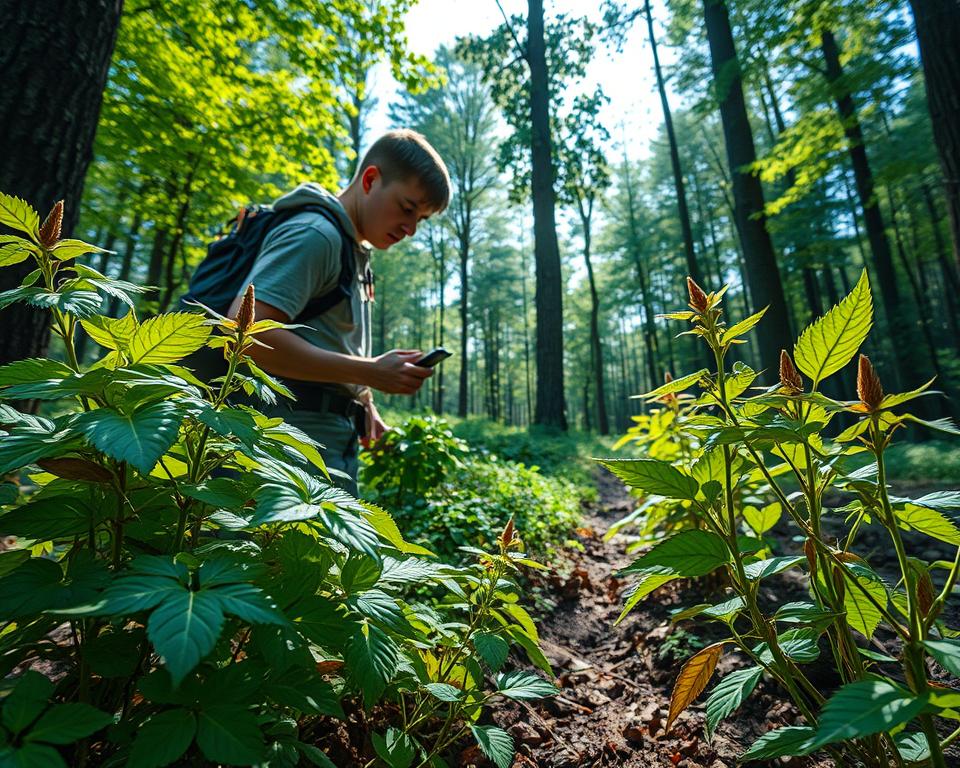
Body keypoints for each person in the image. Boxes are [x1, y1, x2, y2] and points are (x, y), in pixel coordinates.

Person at [225, 129, 451, 495]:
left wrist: (364, 403)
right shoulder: (316, 235)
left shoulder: (353, 253)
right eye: (408, 208)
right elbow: (245, 334)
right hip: (281, 460)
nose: (410, 229)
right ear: (371, 179)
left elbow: (328, 339)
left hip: (320, 453)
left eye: (421, 219)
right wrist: (371, 372)